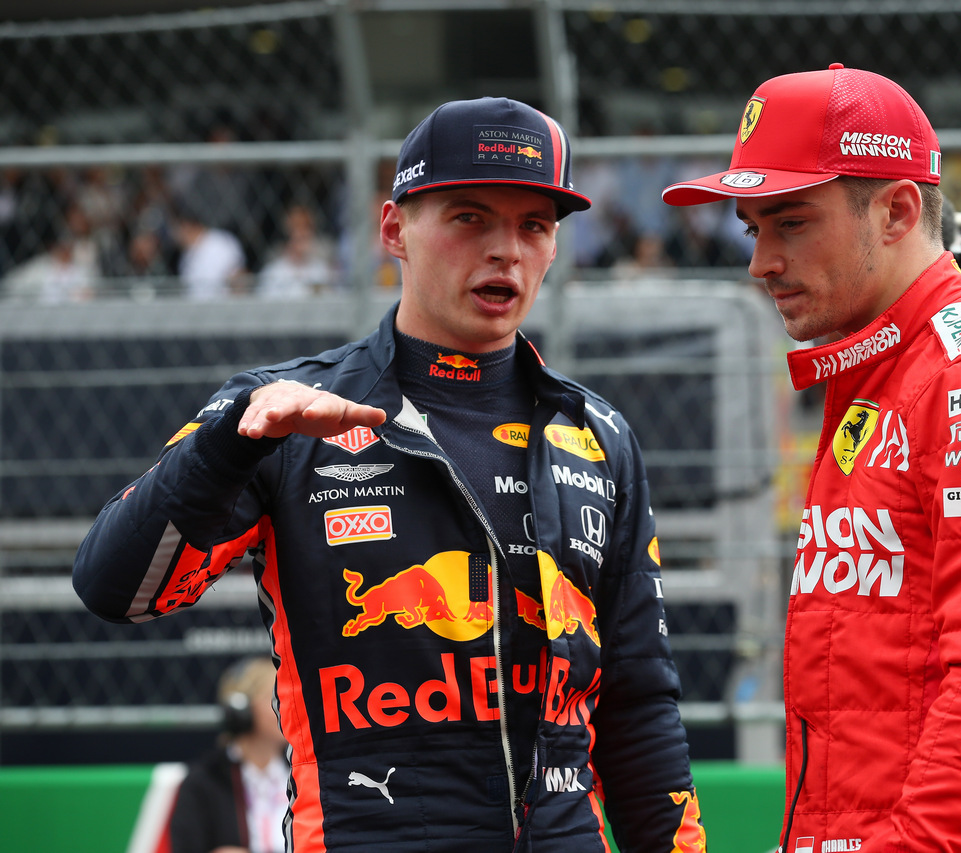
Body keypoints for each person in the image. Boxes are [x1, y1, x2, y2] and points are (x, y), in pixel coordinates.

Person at [73, 97, 705, 852]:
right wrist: (225, 441)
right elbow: (115, 588)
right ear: (394, 229)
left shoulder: (598, 435)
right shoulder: (285, 414)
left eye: (534, 225)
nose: (506, 249)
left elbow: (637, 706)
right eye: (470, 217)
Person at [663, 65, 961, 852]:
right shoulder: (877, 378)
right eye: (752, 228)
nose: (759, 260)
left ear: (899, 210)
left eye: (790, 222)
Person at [168, 657, 290, 853]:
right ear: (241, 710)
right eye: (276, 699)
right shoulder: (206, 780)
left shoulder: (305, 773)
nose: (287, 708)